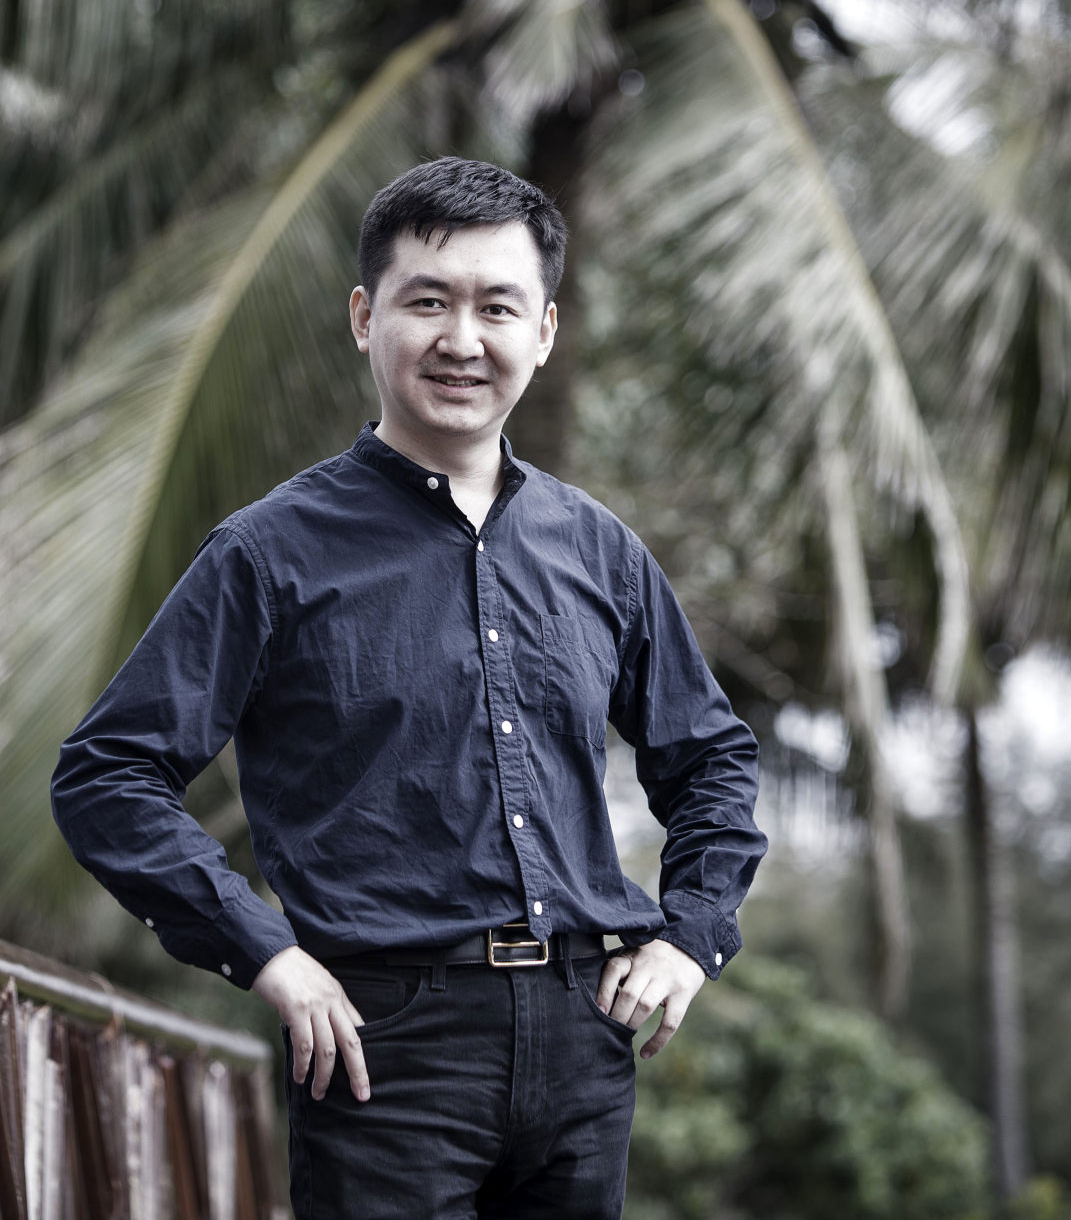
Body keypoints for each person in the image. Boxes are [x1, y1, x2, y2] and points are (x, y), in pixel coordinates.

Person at [49, 156, 766, 1217]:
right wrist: (266, 954)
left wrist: (688, 935)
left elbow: (710, 758)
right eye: (426, 301)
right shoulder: (269, 552)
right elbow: (106, 773)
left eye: (496, 306)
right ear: (362, 316)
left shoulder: (599, 550)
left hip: (583, 1033)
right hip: (381, 1045)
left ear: (545, 332)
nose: (461, 340)